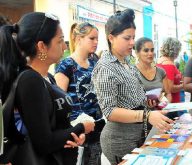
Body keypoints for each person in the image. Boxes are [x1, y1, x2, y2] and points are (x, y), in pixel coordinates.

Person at [0, 12, 95, 164]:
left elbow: (54, 127)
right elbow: (44, 142)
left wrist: (74, 135)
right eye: (60, 41)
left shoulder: (47, 77)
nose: (65, 47)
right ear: (42, 46)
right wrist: (81, 127)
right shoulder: (30, 81)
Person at [91, 9, 173, 165]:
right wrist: (147, 115)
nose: (132, 42)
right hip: (119, 139)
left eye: (133, 37)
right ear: (111, 38)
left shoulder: (127, 61)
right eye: (127, 38)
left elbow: (131, 98)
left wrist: (147, 102)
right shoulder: (105, 67)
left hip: (139, 133)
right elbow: (109, 111)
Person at [54, 22, 103, 165]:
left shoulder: (95, 62)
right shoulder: (66, 65)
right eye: (92, 38)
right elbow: (59, 102)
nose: (96, 42)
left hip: (96, 127)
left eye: (97, 39)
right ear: (79, 39)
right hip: (77, 130)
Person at [135, 37, 172, 103]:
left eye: (152, 50)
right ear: (137, 53)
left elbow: (168, 94)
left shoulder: (161, 72)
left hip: (160, 111)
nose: (150, 53)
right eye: (146, 50)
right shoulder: (131, 72)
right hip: (139, 112)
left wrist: (165, 104)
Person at [156, 37, 183, 103]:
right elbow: (170, 88)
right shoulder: (169, 64)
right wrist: (184, 85)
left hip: (163, 101)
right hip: (171, 103)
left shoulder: (159, 61)